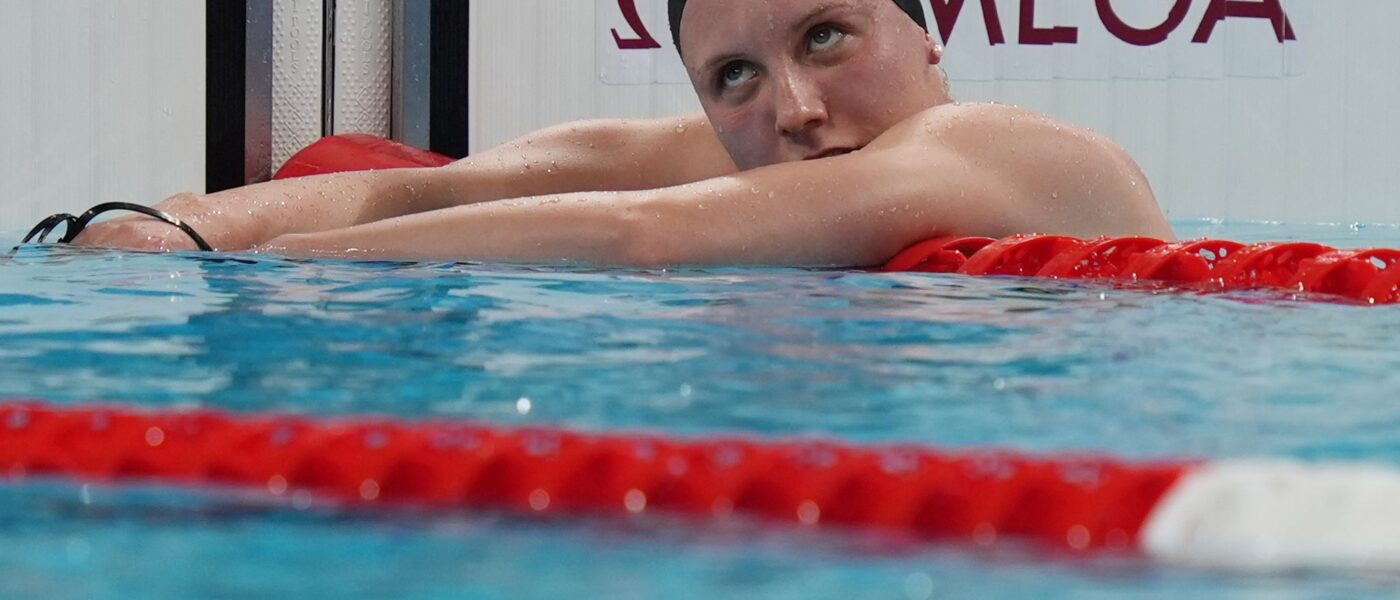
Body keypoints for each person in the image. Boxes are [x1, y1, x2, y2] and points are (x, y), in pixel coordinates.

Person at [75, 0, 1173, 266]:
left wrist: (269, 272)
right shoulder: (726, 162)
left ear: (929, 39)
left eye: (826, 36)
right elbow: (427, 193)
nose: (790, 110)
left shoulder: (994, 146)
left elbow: (635, 237)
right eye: (733, 76)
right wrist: (177, 229)